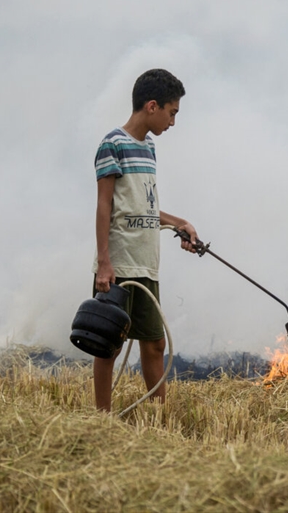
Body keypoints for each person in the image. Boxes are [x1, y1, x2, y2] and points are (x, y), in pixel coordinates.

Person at [91, 68, 198, 412]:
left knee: (154, 344)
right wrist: (104, 263)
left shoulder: (149, 147)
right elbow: (104, 206)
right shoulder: (113, 145)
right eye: (172, 112)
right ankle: (102, 419)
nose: (173, 121)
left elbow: (144, 205)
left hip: (147, 264)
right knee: (109, 344)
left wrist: (179, 222)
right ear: (152, 106)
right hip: (119, 264)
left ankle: (159, 418)